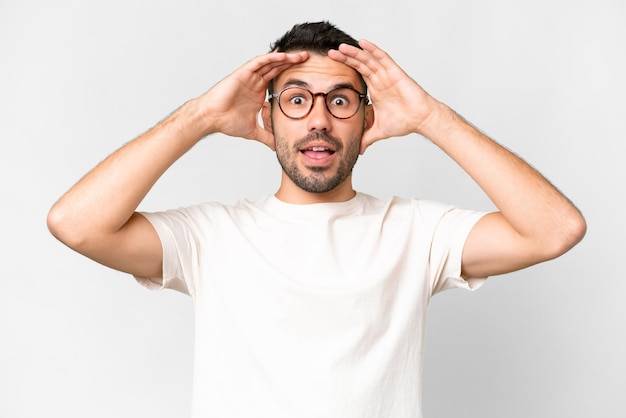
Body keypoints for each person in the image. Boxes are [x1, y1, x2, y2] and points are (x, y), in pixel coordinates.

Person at [47, 22, 586, 418]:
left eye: (341, 101)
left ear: (368, 118)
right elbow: (76, 223)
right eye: (298, 100)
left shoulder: (416, 233)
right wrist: (202, 116)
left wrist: (430, 117)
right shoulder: (213, 237)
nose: (320, 121)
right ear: (268, 116)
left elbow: (555, 229)